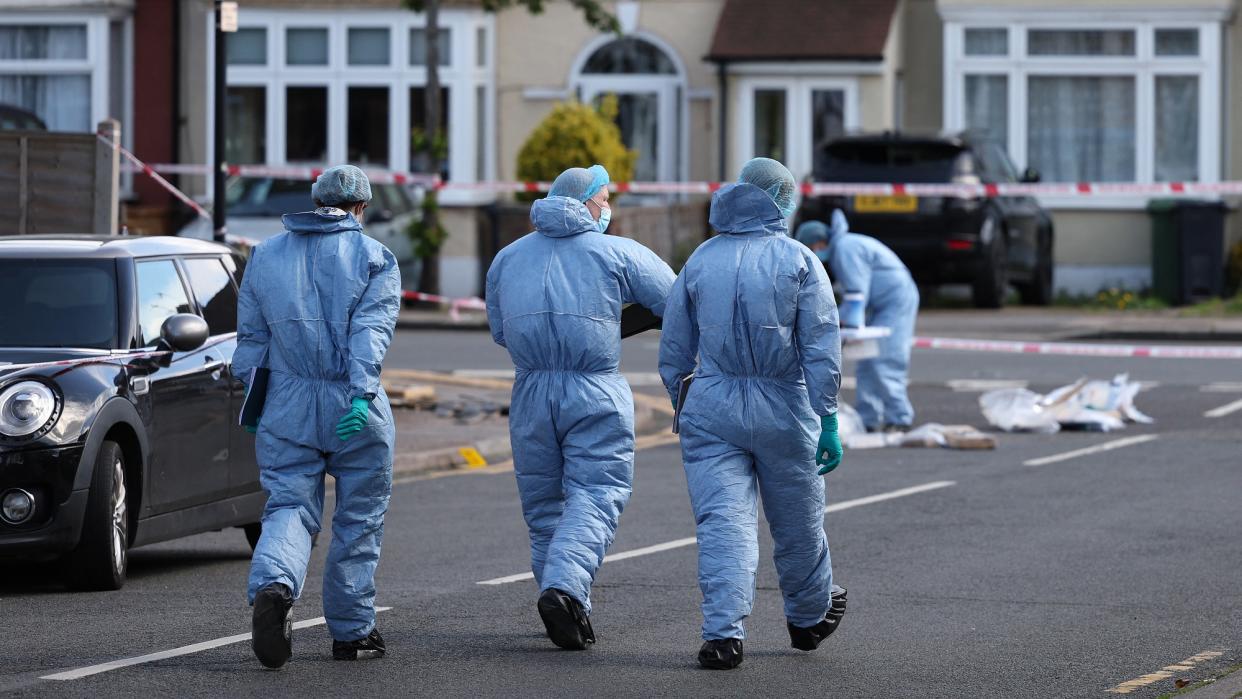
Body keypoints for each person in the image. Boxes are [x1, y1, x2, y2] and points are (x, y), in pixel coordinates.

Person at [659, 157, 847, 670]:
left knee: (724, 522)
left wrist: (683, 399)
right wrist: (826, 416)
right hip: (785, 404)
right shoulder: (800, 259)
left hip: (713, 404)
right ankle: (808, 616)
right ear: (782, 201)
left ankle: (722, 635)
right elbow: (821, 344)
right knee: (798, 518)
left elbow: (675, 345)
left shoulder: (701, 258)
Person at [485, 164, 676, 650]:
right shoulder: (616, 252)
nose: (609, 207)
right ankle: (565, 587)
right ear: (590, 202)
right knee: (597, 491)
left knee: (544, 506)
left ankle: (568, 607)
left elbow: (502, 331)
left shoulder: (507, 259)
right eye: (606, 197)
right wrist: (623, 323)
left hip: (531, 392)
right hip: (593, 389)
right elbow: (678, 302)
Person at [233, 165, 401, 669]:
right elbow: (369, 334)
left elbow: (250, 343)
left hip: (285, 402)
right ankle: (352, 632)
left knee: (288, 505)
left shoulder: (264, 255)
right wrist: (360, 395)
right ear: (361, 208)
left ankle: (276, 584)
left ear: (313, 200)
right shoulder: (374, 257)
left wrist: (256, 399)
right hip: (352, 405)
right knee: (359, 519)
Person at [795, 209, 920, 432]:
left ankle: (900, 417)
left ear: (819, 243)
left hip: (895, 302)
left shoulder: (845, 249)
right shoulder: (844, 247)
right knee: (866, 359)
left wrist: (844, 324)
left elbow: (855, 293)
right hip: (879, 304)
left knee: (885, 360)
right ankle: (868, 418)